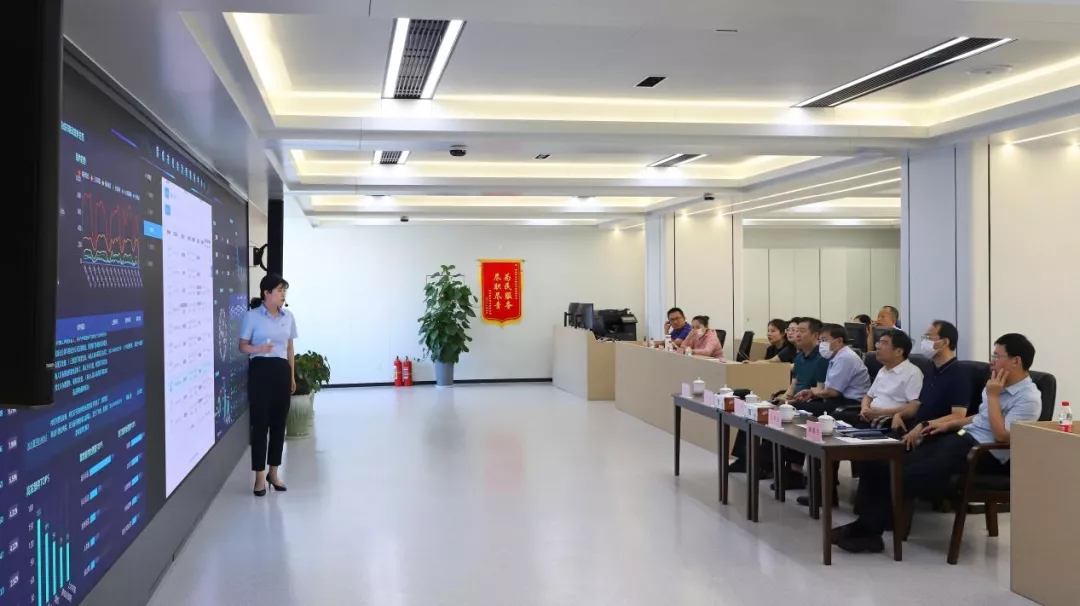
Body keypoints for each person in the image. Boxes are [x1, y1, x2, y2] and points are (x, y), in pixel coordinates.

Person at [835, 333, 1042, 554]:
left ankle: (867, 532)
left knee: (901, 473)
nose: (992, 361)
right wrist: (945, 425)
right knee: (883, 463)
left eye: (997, 356)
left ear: (1016, 361)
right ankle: (866, 529)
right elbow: (980, 418)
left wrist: (992, 397)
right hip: (961, 441)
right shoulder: (996, 385)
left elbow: (1002, 436)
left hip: (983, 455)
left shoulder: (1027, 398)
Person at [240, 274, 298, 497]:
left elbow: (289, 349)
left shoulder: (288, 317)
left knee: (279, 424)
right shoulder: (252, 317)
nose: (283, 295)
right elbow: (242, 346)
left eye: (284, 291)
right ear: (267, 293)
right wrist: (258, 350)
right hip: (260, 372)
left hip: (281, 371)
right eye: (280, 290)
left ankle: (274, 473)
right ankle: (259, 477)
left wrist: (292, 376)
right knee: (260, 425)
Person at [895, 321, 972, 449]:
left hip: (935, 436)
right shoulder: (930, 368)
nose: (925, 342)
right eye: (924, 337)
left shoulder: (959, 373)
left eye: (929, 338)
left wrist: (925, 425)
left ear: (945, 342)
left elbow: (958, 415)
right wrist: (900, 415)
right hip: (914, 432)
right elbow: (919, 403)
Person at [800, 323, 871, 413]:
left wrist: (814, 391)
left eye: (825, 340)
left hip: (851, 404)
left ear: (839, 341)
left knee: (799, 405)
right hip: (838, 400)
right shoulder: (837, 356)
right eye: (820, 341)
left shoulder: (845, 357)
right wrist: (812, 393)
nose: (821, 344)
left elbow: (832, 392)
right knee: (802, 404)